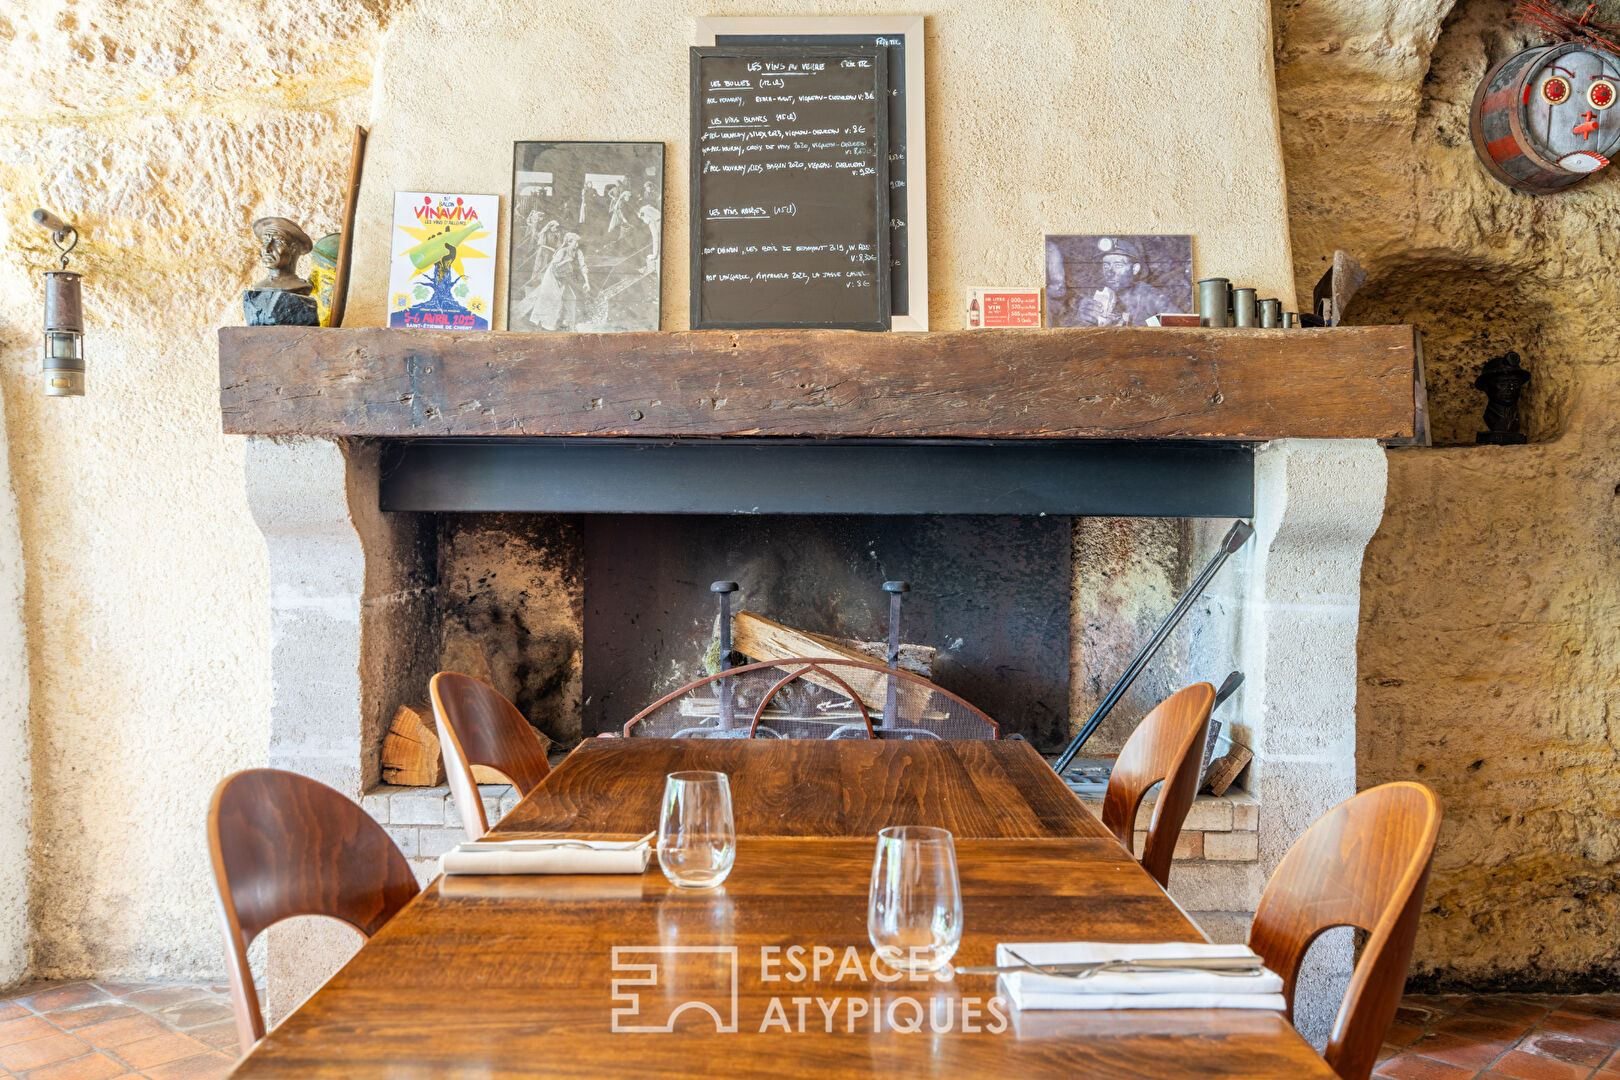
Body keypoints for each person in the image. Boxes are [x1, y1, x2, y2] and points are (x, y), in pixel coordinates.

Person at [1068, 237, 1172, 326]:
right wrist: (1083, 319)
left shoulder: (1151, 297)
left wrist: (1148, 327)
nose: (1110, 272)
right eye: (1106, 266)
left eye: (1118, 265)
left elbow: (1180, 325)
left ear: (1135, 269)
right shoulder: (1096, 296)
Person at [524, 232, 590, 331]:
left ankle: (572, 326)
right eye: (575, 243)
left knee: (572, 298)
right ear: (568, 242)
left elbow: (583, 266)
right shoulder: (562, 251)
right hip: (552, 276)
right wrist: (567, 261)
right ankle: (544, 324)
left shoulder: (578, 252)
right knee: (553, 298)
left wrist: (587, 282)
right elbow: (555, 266)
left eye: (577, 243)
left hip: (563, 276)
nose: (576, 245)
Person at [250, 216, 313, 294]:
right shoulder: (261, 286)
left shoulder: (299, 287)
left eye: (277, 242)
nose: (266, 249)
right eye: (265, 242)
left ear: (293, 249)